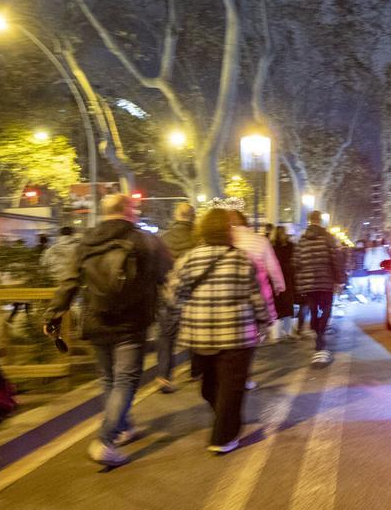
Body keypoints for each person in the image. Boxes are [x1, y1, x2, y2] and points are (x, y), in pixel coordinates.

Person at [45, 193, 173, 467]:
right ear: (129, 210)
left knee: (108, 379)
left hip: (95, 320)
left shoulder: (86, 241)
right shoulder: (146, 241)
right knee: (126, 381)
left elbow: (69, 282)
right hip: (132, 322)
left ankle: (124, 426)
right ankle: (106, 439)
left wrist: (54, 313)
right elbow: (167, 275)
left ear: (104, 212)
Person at [168, 208, 270, 454]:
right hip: (236, 334)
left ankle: (224, 422)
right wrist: (265, 321)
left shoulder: (188, 259)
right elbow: (256, 297)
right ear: (228, 231)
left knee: (209, 385)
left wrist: (193, 309)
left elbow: (173, 295)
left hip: (199, 334)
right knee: (231, 386)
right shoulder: (243, 259)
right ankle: (223, 436)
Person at [154, 202, 199, 392]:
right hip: (193, 294)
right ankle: (196, 370)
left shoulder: (163, 239)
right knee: (196, 333)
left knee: (166, 336)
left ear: (175, 215)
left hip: (168, 295)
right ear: (193, 216)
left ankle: (164, 376)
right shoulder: (199, 238)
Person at [294, 210, 346, 364]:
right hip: (325, 280)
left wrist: (300, 281)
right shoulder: (327, 237)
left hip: (308, 283)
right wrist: (339, 279)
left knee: (313, 309)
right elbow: (335, 259)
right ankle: (320, 334)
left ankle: (316, 328)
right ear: (320, 220)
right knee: (327, 308)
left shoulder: (302, 240)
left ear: (310, 220)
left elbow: (296, 263)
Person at [229, 210, 285, 343]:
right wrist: (279, 285)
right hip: (259, 290)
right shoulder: (261, 241)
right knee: (255, 322)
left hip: (233, 292)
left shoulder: (228, 241)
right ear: (246, 223)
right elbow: (273, 266)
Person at [270, 226, 297, 340]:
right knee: (285, 305)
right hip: (284, 279)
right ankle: (285, 332)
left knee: (280, 306)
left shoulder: (272, 246)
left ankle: (278, 333)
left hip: (278, 279)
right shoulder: (289, 246)